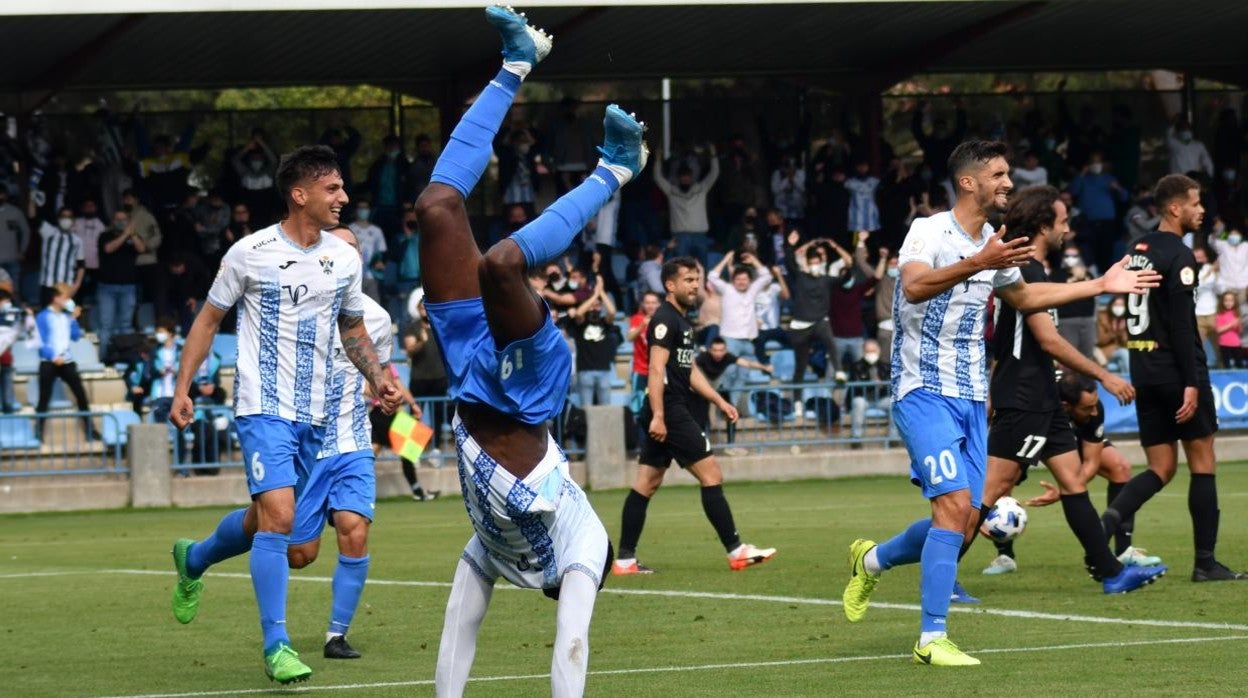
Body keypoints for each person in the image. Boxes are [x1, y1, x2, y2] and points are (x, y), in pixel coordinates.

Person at [841, 140, 1159, 667]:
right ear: (969, 182)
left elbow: (1026, 298)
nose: (1008, 183)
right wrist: (978, 262)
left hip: (970, 396)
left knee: (963, 514)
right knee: (951, 508)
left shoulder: (996, 240)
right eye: (999, 174)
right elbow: (915, 288)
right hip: (921, 389)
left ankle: (871, 560)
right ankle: (931, 638)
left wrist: (1099, 284)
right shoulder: (930, 230)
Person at [412, 10, 636, 695]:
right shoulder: (582, 541)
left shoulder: (492, 541)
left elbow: (460, 625)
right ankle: (616, 171)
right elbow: (572, 643)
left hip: (472, 376)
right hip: (533, 384)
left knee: (436, 209)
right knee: (502, 263)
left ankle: (516, 63)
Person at [167, 144, 401, 685]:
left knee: (274, 526)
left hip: (317, 415)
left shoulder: (344, 259)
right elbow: (207, 321)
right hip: (262, 406)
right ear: (300, 195)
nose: (344, 198)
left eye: (342, 187)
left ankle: (196, 558)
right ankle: (278, 646)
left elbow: (353, 328)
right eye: (333, 189)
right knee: (277, 518)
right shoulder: (249, 253)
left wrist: (379, 379)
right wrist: (182, 388)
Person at [968, 184, 1165, 593]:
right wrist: (1106, 376)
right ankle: (941, 572)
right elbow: (1049, 340)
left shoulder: (1036, 271)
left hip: (1043, 396)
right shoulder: (1027, 270)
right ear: (1044, 225)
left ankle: (1111, 574)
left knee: (1074, 483)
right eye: (1062, 221)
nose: (1067, 229)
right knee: (991, 488)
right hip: (1024, 397)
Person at [1105, 173, 1247, 582]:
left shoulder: (1137, 248)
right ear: (1174, 207)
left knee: (1161, 467)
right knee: (1203, 460)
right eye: (1196, 203)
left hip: (1143, 369)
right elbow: (1184, 327)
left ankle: (1105, 526)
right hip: (1177, 371)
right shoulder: (1181, 257)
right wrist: (1191, 381)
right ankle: (1205, 562)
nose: (1202, 210)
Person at [613, 255, 777, 576]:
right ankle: (736, 551)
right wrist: (659, 415)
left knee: (646, 483)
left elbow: (687, 370)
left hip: (669, 407)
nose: (695, 285)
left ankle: (624, 561)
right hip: (670, 409)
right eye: (688, 280)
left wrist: (718, 400)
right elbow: (656, 370)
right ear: (669, 285)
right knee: (711, 474)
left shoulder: (683, 321)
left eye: (697, 279)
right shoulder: (665, 319)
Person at [996, 373, 1162, 574]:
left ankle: (1124, 549)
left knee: (1119, 467)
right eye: (1087, 408)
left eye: (1095, 405)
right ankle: (1004, 555)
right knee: (1004, 482)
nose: (1094, 412)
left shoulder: (1093, 409)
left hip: (1062, 431)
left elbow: (1091, 462)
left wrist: (1063, 490)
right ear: (1066, 405)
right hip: (1032, 419)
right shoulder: (1034, 400)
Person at [33, 283, 95, 441]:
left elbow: (75, 336)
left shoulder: (66, 317)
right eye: (65, 297)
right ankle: (38, 432)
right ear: (56, 298)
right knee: (44, 398)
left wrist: (74, 319)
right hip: (49, 361)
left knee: (81, 395)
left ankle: (90, 429)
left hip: (67, 361)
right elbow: (39, 342)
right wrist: (54, 356)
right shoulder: (42, 316)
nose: (68, 300)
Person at [694, 335, 772, 452]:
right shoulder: (703, 357)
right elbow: (689, 366)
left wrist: (764, 367)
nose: (718, 353)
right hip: (703, 388)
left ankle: (730, 446)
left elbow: (747, 363)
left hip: (718, 388)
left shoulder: (728, 357)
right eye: (715, 350)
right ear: (710, 350)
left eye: (721, 350)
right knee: (703, 417)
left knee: (730, 412)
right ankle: (701, 446)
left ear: (725, 350)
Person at [96, 208, 143, 361]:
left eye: (124, 219)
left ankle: (126, 358)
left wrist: (132, 233)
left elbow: (142, 248)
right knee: (106, 326)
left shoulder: (133, 237)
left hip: (128, 287)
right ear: (113, 221)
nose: (121, 222)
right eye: (118, 219)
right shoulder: (105, 236)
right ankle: (104, 359)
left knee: (126, 325)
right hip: (106, 288)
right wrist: (125, 235)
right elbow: (108, 249)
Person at [1214, 291, 1245, 368]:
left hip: (1236, 344)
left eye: (1231, 301)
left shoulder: (1237, 313)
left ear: (1235, 302)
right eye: (1226, 300)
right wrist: (1231, 324)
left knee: (1239, 365)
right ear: (1222, 302)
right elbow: (1218, 330)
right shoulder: (1220, 314)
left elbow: (1240, 331)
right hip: (1224, 344)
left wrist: (1239, 325)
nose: (1228, 303)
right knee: (1226, 365)